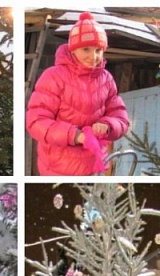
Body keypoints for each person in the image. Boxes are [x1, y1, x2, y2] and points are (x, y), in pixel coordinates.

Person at [26, 12, 130, 176]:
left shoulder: (106, 79)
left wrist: (108, 125)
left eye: (98, 50)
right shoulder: (54, 76)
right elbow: (36, 121)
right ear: (73, 50)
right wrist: (75, 135)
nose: (93, 56)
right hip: (59, 168)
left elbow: (121, 118)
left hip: (95, 166)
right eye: (86, 49)